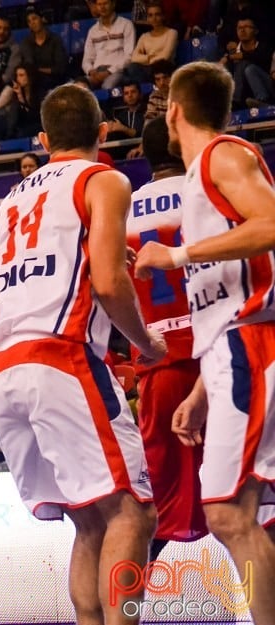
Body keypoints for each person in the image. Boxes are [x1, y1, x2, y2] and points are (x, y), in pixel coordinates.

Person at [0, 84, 166, 625]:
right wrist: (147, 342)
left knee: (89, 521)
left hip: (2, 368)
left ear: (42, 140)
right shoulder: (104, 179)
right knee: (134, 512)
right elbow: (110, 283)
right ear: (104, 133)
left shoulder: (15, 196)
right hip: (60, 358)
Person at [135, 60, 275, 625]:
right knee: (237, 514)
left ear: (173, 110)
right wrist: (198, 392)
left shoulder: (222, 154)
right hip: (226, 353)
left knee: (230, 513)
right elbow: (218, 297)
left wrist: (175, 257)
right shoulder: (198, 179)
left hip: (252, 343)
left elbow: (271, 220)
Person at [125, 116, 207, 560]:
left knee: (150, 514)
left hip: (157, 361)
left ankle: (126, 623)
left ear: (144, 156)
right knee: (248, 506)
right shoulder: (209, 194)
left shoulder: (123, 211)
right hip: (220, 358)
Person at [82, 0, 136, 90]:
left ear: (113, 4)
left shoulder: (126, 24)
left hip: (117, 71)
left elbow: (129, 56)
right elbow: (86, 59)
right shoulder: (92, 30)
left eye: (105, 3)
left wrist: (109, 71)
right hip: (96, 72)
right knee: (79, 87)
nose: (102, 7)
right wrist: (91, 71)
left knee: (107, 87)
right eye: (99, 4)